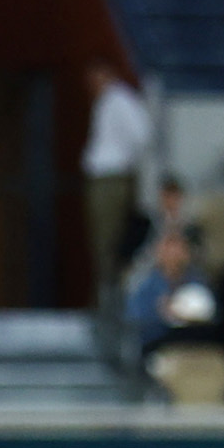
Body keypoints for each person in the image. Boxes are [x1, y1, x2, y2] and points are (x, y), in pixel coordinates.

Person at [81, 61, 153, 317]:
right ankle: (106, 304)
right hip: (106, 178)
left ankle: (110, 307)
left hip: (113, 179)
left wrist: (123, 163)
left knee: (110, 244)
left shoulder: (119, 99)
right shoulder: (107, 101)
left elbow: (142, 136)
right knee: (102, 244)